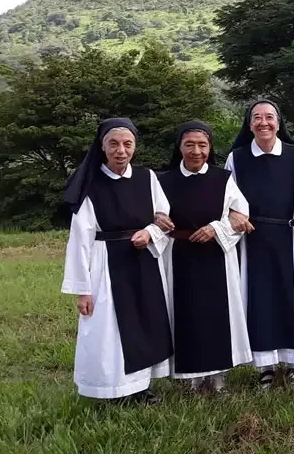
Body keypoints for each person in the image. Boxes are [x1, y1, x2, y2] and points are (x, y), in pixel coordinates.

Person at [61, 117, 173, 404]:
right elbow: (80, 239)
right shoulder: (91, 184)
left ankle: (141, 387)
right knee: (108, 330)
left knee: (145, 322)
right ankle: (113, 390)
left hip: (144, 261)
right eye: (113, 143)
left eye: (127, 144)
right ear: (102, 146)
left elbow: (163, 219)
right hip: (105, 265)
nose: (121, 150)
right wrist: (83, 290)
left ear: (135, 146)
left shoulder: (147, 178)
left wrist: (149, 233)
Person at [154, 120, 252, 392]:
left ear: (210, 147)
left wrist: (216, 228)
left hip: (216, 255)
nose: (196, 151)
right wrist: (157, 218)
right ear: (179, 147)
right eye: (189, 145)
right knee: (184, 315)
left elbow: (241, 216)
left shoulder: (223, 179)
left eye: (202, 145)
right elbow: (152, 214)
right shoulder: (163, 180)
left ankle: (218, 376)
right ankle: (189, 378)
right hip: (177, 255)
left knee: (216, 316)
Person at [224, 100, 294, 388]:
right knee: (259, 301)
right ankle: (266, 367)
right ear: (249, 125)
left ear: (278, 122)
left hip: (290, 234)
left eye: (269, 117)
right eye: (257, 118)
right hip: (253, 239)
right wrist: (233, 212)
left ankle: (293, 363)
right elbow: (226, 197)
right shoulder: (237, 158)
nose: (264, 123)